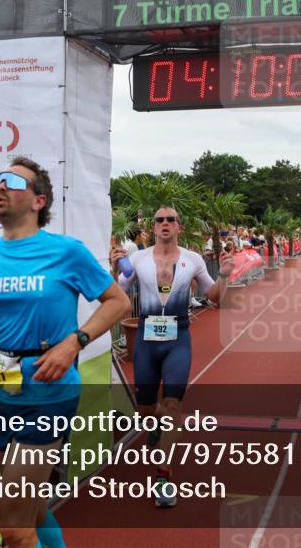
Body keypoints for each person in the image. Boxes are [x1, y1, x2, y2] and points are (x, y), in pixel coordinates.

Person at [0, 157, 129, 548]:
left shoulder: (66, 251)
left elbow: (117, 302)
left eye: (13, 182)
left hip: (50, 391)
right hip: (2, 388)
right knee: (30, 509)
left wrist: (75, 342)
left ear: (39, 201)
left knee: (13, 529)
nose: (0, 187)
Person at [110, 206, 235, 508]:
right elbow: (117, 297)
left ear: (179, 226)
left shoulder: (193, 260)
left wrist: (226, 276)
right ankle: (155, 425)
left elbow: (215, 297)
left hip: (178, 338)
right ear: (153, 228)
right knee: (146, 410)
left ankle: (163, 478)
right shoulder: (137, 258)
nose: (165, 223)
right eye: (159, 220)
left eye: (171, 220)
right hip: (146, 338)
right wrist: (115, 271)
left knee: (174, 406)